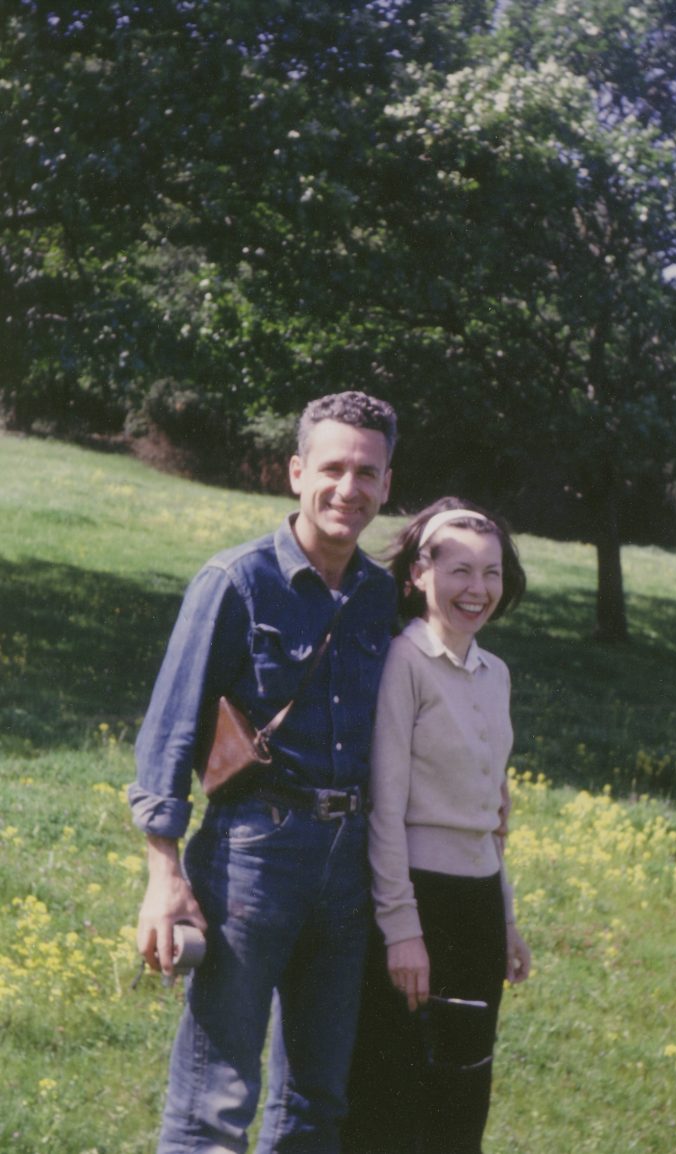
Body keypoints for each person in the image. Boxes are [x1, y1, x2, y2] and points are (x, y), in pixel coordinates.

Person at [128, 390, 398, 1154]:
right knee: (216, 1100)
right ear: (295, 472)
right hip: (253, 859)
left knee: (317, 1101)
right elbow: (169, 733)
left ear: (387, 484)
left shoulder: (381, 595)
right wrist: (163, 873)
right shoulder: (236, 582)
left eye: (367, 473)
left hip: (348, 869)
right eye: (333, 468)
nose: (349, 488)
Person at [342, 497, 531, 1154]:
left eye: (491, 572)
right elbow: (384, 809)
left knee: (463, 1091)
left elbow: (492, 818)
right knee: (392, 1092)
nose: (476, 590)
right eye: (459, 570)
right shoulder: (404, 664)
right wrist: (401, 932)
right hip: (418, 901)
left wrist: (504, 916)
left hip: (477, 903)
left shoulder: (495, 674)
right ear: (419, 573)